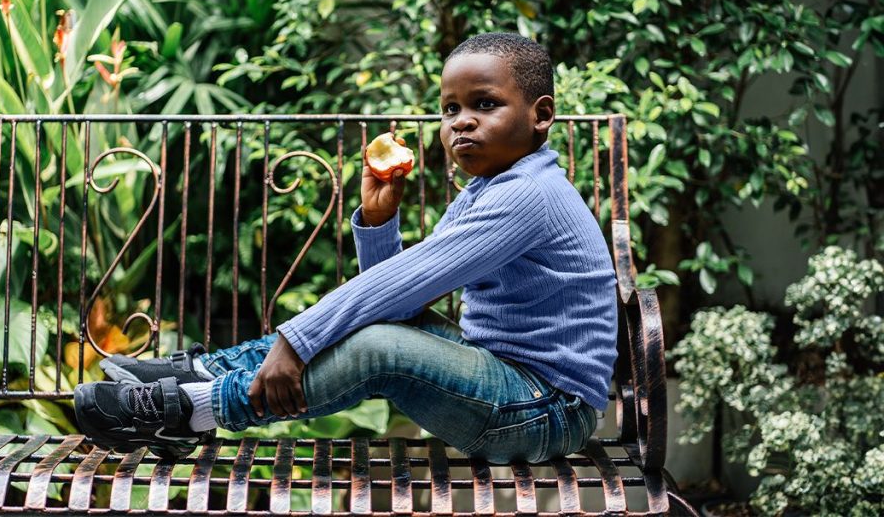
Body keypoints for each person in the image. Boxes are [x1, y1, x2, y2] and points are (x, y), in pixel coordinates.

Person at [74, 32, 617, 462]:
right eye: (450, 110)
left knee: (377, 346)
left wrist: (298, 341)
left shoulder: (529, 196)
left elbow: (403, 287)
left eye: (484, 104)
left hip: (545, 411)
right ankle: (204, 374)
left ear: (540, 115)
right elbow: (400, 301)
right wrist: (379, 219)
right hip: (508, 387)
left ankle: (189, 410)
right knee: (379, 329)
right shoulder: (490, 189)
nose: (462, 122)